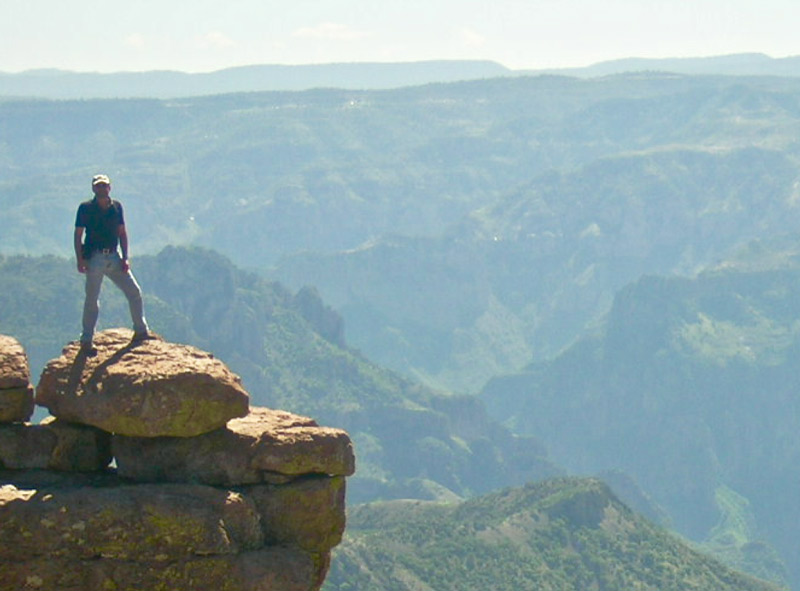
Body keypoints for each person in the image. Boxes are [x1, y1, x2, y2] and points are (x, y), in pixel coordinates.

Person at [74, 174, 150, 356]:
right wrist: (80, 259)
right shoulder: (85, 208)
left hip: (114, 257)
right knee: (92, 299)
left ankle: (141, 331)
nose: (101, 189)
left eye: (104, 186)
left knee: (134, 292)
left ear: (110, 188)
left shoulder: (117, 207)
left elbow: (122, 233)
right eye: (98, 186)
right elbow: (78, 235)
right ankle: (86, 340)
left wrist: (125, 257)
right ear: (93, 189)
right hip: (95, 258)